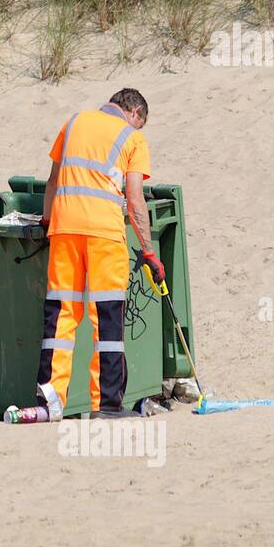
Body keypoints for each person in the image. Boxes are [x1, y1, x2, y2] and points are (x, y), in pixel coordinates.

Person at [38, 88, 163, 415]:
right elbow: (135, 200)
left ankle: (49, 401)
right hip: (104, 234)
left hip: (64, 228)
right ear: (135, 112)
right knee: (105, 317)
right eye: (141, 123)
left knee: (61, 315)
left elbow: (52, 180)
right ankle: (105, 405)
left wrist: (47, 219)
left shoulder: (74, 122)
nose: (139, 130)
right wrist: (149, 253)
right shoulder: (132, 139)